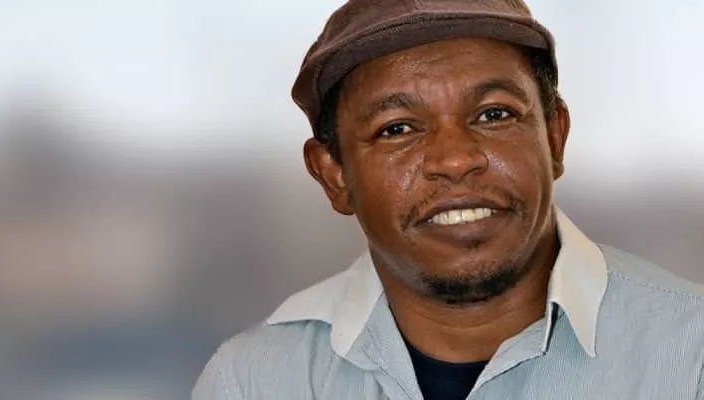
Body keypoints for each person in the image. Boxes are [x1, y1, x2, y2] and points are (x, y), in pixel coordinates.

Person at [193, 0, 704, 398]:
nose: (456, 159)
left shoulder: (691, 354)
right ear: (334, 176)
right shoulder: (254, 381)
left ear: (554, 138)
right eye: (397, 128)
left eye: (494, 114)